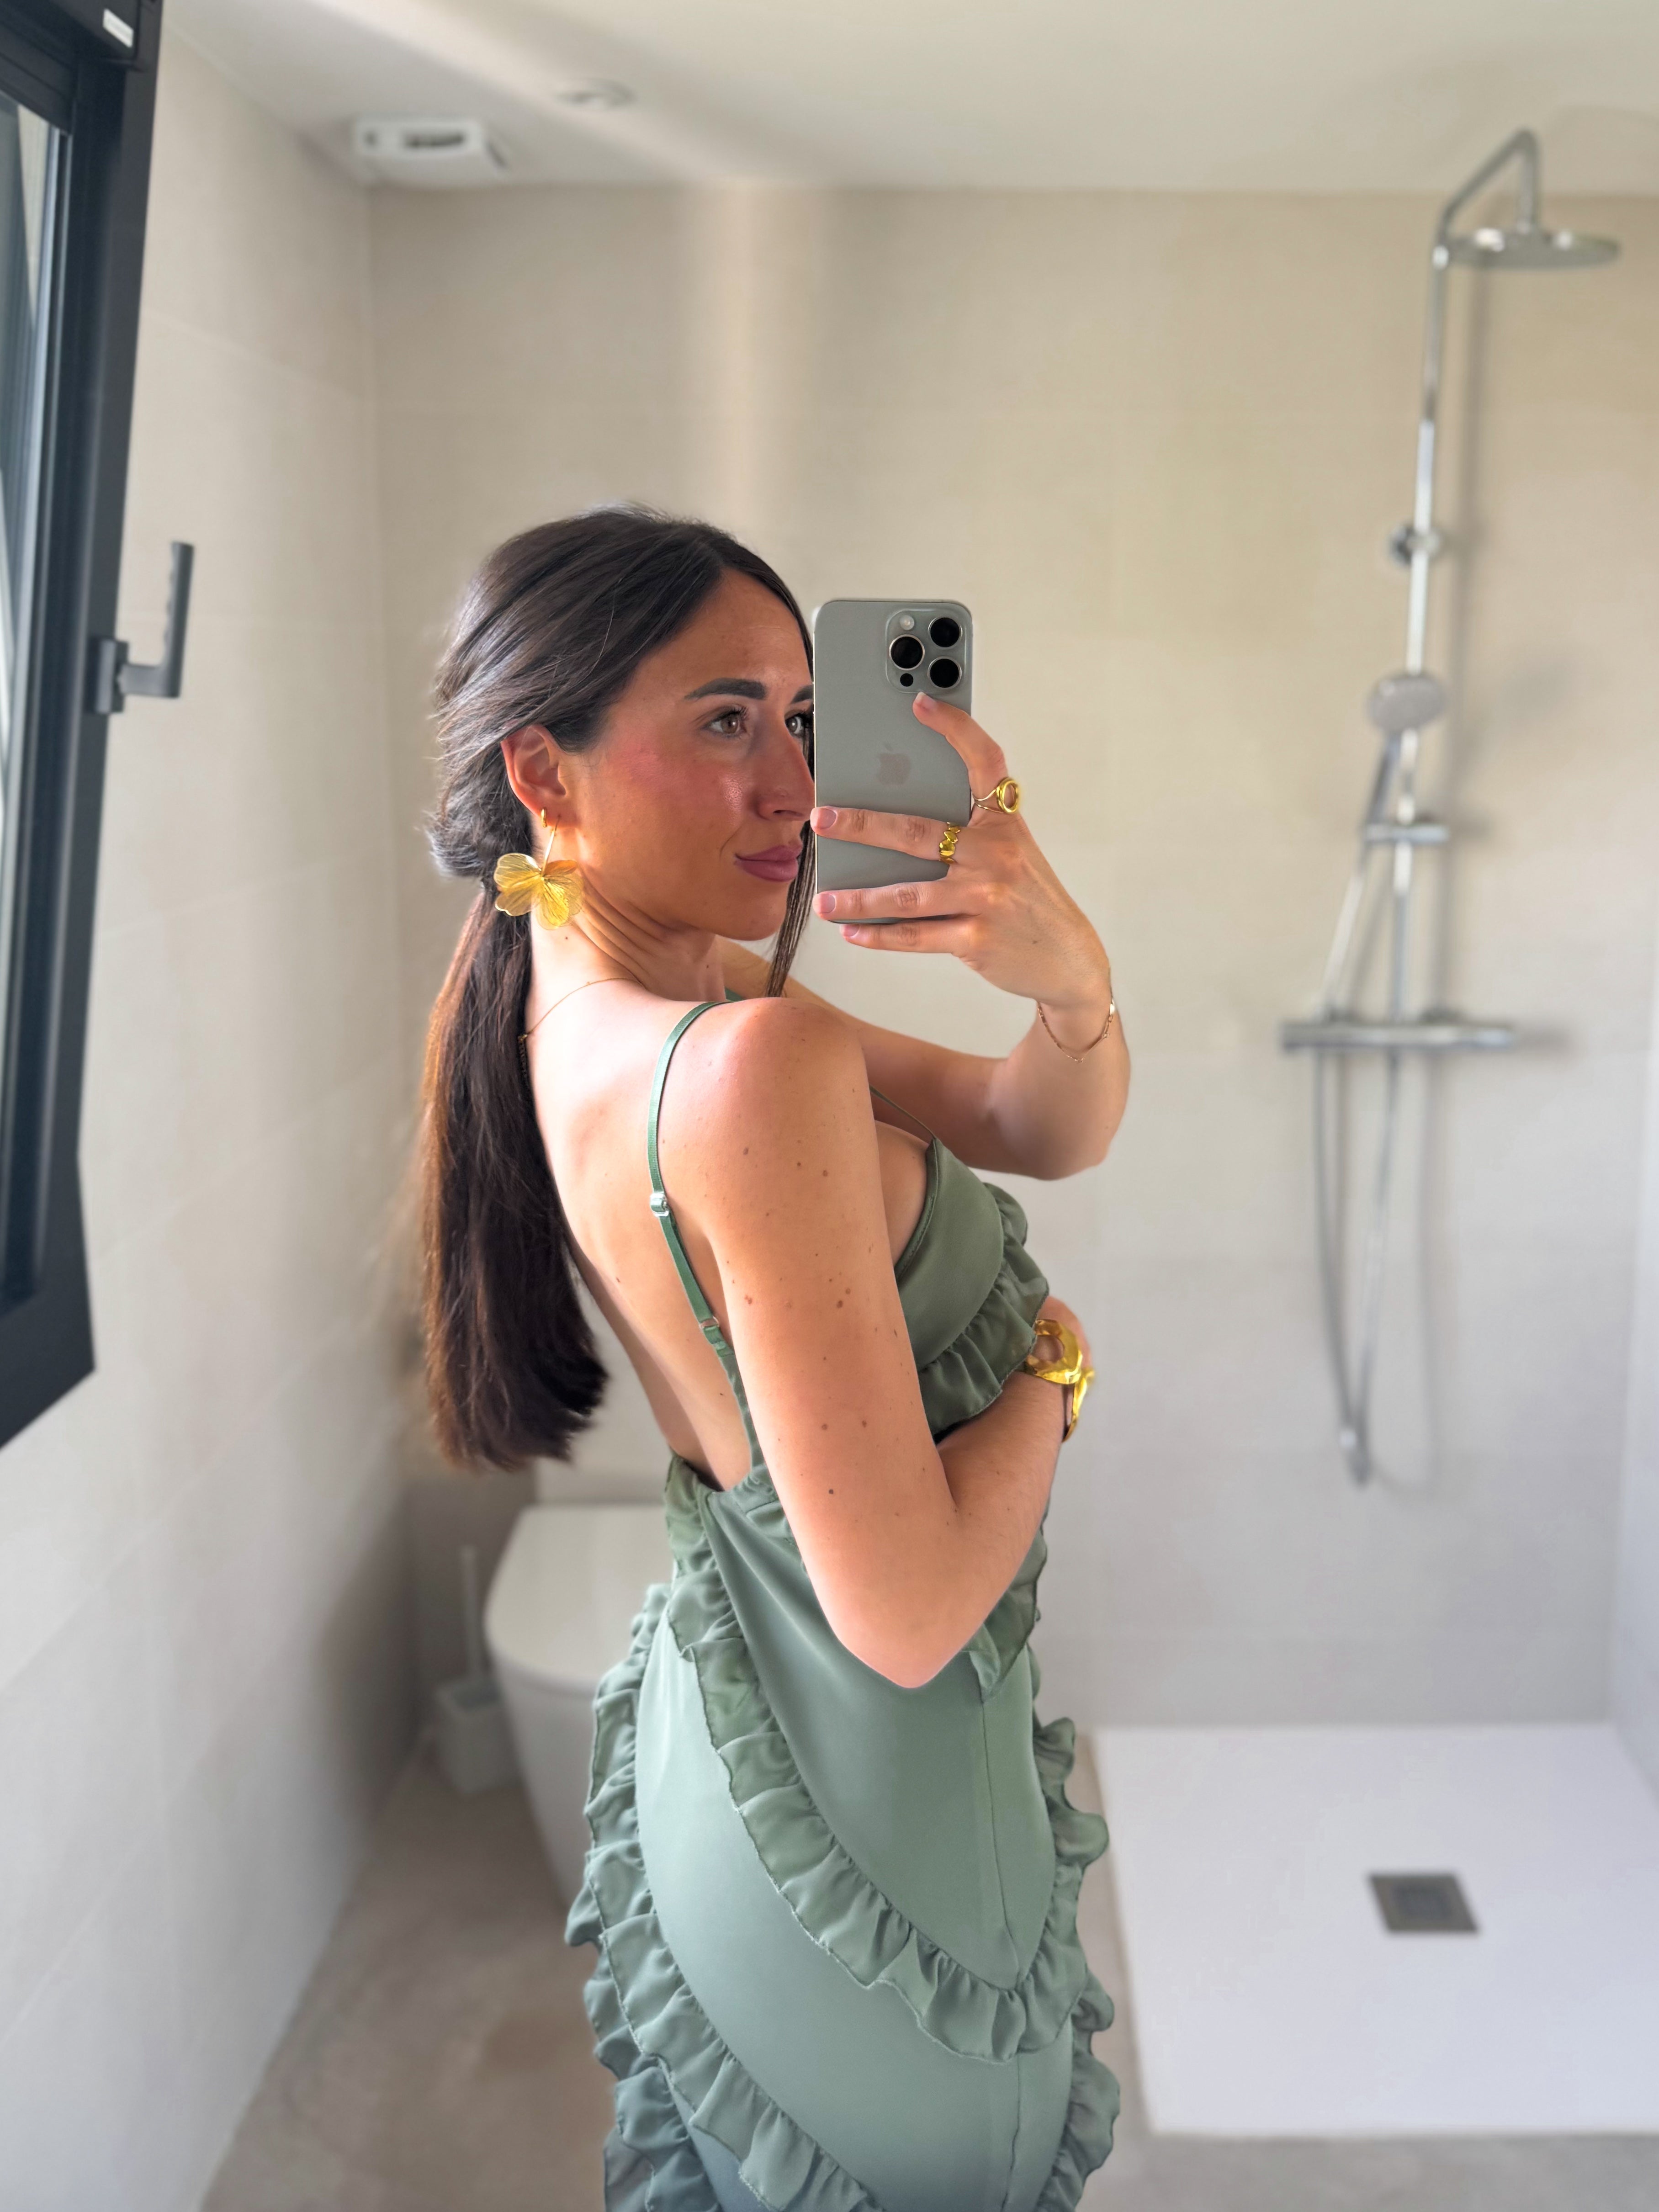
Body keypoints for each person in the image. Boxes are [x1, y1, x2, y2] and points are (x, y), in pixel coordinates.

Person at [420, 506, 1129, 2212]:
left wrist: (1072, 984)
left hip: (742, 1736)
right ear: (546, 771)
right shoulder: (745, 1064)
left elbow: (1037, 1118)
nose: (797, 785)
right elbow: (911, 1609)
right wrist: (1053, 1383)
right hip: (870, 1817)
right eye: (726, 719)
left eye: (805, 716)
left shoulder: (592, 1004)